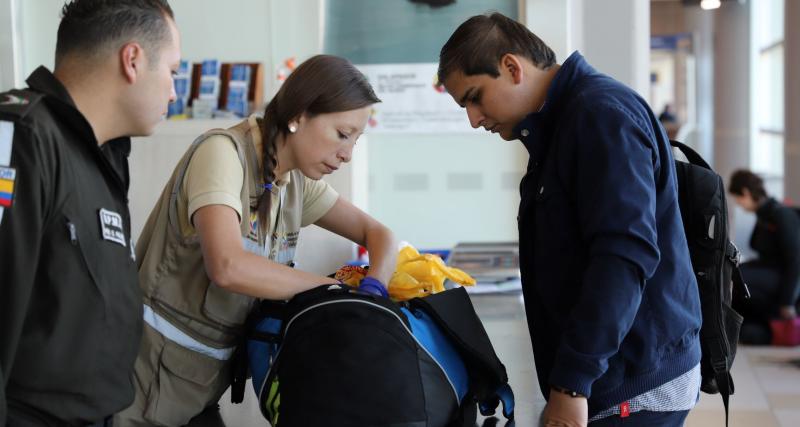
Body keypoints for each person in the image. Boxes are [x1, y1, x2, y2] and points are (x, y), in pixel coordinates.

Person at [438, 13, 702, 427]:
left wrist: (572, 385)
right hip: (608, 374)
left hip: (632, 382)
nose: (473, 118)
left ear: (511, 67)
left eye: (475, 97)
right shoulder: (561, 122)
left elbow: (623, 257)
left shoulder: (600, 115)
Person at [115, 54, 397, 427]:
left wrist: (373, 292)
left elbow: (381, 235)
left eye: (356, 141)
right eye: (342, 134)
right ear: (299, 116)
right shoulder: (222, 153)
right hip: (145, 384)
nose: (346, 154)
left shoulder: (296, 183)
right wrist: (335, 292)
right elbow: (228, 266)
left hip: (199, 389)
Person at [0, 0, 180, 425]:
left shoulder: (100, 155)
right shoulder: (21, 137)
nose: (174, 91)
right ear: (133, 60)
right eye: (172, 71)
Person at [728, 169, 800, 344]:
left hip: (785, 282)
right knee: (734, 272)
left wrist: (787, 302)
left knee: (739, 277)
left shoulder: (781, 215)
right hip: (772, 275)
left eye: (738, 198)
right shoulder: (764, 215)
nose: (738, 204)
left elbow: (795, 260)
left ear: (745, 192)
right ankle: (733, 326)